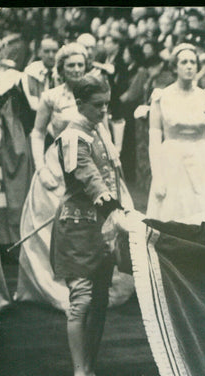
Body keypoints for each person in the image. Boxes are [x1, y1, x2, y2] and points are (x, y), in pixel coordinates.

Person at [17, 42, 132, 311]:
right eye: (71, 65)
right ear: (61, 68)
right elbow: (36, 133)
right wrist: (41, 168)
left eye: (81, 64)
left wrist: (113, 154)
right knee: (57, 226)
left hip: (93, 161)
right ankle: (61, 286)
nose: (77, 70)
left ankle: (100, 280)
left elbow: (102, 126)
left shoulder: (94, 93)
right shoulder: (51, 97)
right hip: (59, 166)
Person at [51, 74, 132, 376]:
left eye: (106, 104)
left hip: (102, 227)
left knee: (100, 298)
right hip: (78, 228)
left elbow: (111, 175)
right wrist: (115, 209)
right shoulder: (72, 137)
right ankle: (77, 372)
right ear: (80, 103)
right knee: (81, 298)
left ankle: (90, 367)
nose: (103, 110)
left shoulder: (98, 131)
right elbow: (90, 177)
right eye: (97, 105)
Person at [147, 43, 205, 223]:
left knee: (202, 213)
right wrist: (157, 175)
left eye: (193, 62)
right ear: (175, 67)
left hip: (201, 159)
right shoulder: (162, 97)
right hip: (172, 161)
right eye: (184, 62)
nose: (189, 66)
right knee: (171, 214)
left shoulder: (204, 96)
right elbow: (154, 137)